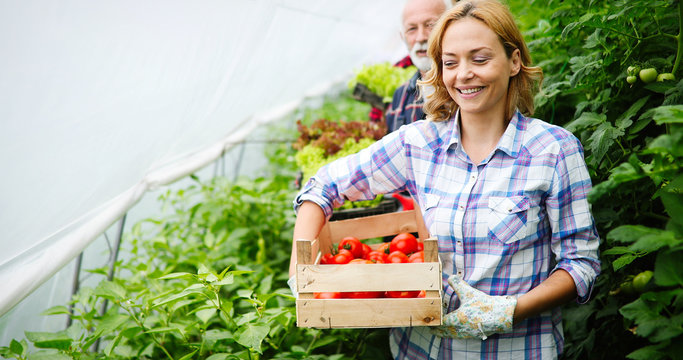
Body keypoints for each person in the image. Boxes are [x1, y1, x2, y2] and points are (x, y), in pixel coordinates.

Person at [289, 0, 601, 358]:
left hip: (516, 349)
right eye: (450, 63)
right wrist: (299, 266)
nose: (463, 74)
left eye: (480, 59)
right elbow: (323, 185)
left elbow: (580, 264)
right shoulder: (418, 144)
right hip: (421, 349)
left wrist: (507, 310)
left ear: (514, 61)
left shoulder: (554, 151)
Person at [384, 0, 448, 133]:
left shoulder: (465, 89)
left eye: (430, 25)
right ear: (403, 37)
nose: (421, 37)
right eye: (412, 29)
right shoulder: (401, 97)